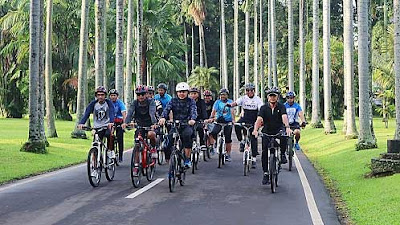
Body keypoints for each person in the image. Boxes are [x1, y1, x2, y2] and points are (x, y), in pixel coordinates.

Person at [252, 87, 292, 185]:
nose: (272, 98)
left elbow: (284, 117)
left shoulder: (281, 107)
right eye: (271, 96)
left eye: (274, 96)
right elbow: (259, 119)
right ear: (268, 97)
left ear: (277, 97)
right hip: (267, 131)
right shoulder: (263, 108)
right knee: (265, 151)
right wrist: (255, 130)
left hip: (279, 129)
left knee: (284, 136)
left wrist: (287, 127)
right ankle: (266, 173)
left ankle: (282, 154)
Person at [159, 82, 197, 168]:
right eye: (180, 92)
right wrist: (163, 118)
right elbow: (167, 109)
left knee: (187, 137)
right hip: (176, 125)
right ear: (177, 93)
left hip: (187, 124)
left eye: (183, 92)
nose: (182, 93)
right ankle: (169, 159)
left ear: (187, 92)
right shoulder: (173, 100)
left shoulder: (191, 101)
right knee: (168, 142)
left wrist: (192, 119)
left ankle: (187, 159)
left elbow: (193, 111)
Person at [227, 83, 263, 168]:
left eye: (251, 90)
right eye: (247, 90)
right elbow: (235, 103)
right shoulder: (243, 98)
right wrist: (230, 105)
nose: (249, 92)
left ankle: (254, 158)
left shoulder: (257, 99)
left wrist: (260, 121)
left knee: (253, 138)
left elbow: (261, 109)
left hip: (254, 119)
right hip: (245, 117)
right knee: (237, 125)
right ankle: (241, 141)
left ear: (254, 91)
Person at [206, 88, 235, 162]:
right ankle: (213, 145)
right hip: (218, 121)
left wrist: (233, 120)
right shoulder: (217, 102)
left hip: (227, 122)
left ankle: (228, 154)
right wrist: (211, 118)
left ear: (227, 95)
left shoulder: (230, 102)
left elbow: (232, 111)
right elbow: (214, 111)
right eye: (221, 95)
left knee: (228, 139)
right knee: (212, 133)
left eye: (224, 95)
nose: (223, 96)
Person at [109, 89, 127, 162]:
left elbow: (124, 113)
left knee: (120, 138)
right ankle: (111, 151)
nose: (113, 97)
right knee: (110, 136)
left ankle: (120, 155)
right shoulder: (108, 103)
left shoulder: (120, 103)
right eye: (111, 95)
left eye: (114, 95)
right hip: (111, 121)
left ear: (117, 96)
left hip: (119, 121)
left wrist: (124, 123)